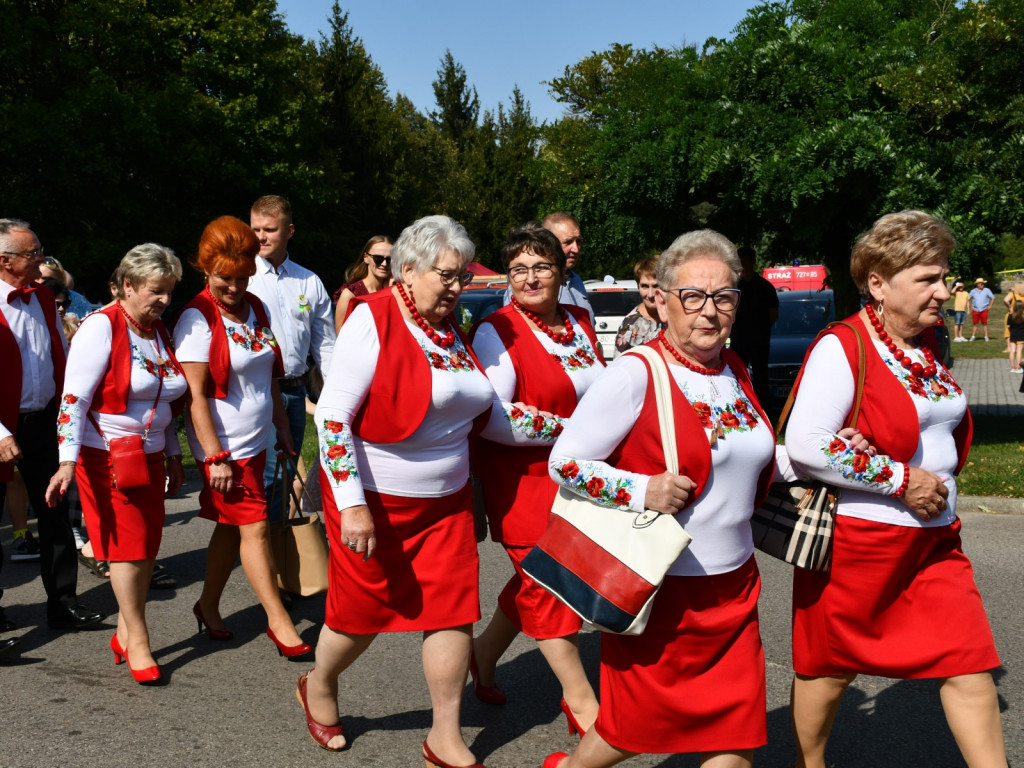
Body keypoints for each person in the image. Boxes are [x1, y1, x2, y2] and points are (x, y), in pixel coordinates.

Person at [296, 215, 565, 765]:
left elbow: (487, 413)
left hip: (447, 504)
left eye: (461, 276)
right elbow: (333, 420)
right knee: (361, 615)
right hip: (374, 502)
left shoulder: (449, 328)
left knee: (451, 612)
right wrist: (351, 506)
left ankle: (446, 734)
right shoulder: (372, 319)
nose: (456, 286)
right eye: (446, 275)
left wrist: (566, 429)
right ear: (408, 269)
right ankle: (319, 682)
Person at [544, 230, 777, 768]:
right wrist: (639, 488)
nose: (709, 311)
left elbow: (746, 458)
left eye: (723, 297)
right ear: (663, 300)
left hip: (734, 589)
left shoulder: (734, 369)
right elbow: (566, 462)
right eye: (693, 296)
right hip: (664, 591)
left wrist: (829, 456)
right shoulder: (636, 372)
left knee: (734, 739)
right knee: (630, 731)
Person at [784, 210, 1006, 768]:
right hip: (860, 545)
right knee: (830, 670)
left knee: (969, 662)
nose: (943, 289)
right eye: (927, 279)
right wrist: (900, 480)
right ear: (878, 283)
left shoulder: (928, 345)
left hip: (936, 542)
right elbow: (807, 444)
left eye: (944, 275)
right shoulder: (845, 346)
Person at [470, 223, 606, 735]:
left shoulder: (578, 321)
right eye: (519, 269)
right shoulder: (496, 330)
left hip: (578, 483)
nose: (530, 278)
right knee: (548, 588)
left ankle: (482, 655)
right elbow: (491, 416)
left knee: (540, 578)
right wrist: (574, 431)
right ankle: (581, 700)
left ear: (561, 270)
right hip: (524, 484)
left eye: (541, 266)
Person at [43, 243, 187, 684]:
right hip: (105, 455)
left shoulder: (157, 331)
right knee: (127, 549)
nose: (163, 301)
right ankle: (139, 637)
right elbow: (73, 401)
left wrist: (173, 451)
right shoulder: (99, 327)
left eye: (168, 292)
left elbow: (165, 396)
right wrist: (67, 461)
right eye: (155, 291)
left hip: (149, 455)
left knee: (147, 547)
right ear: (127, 285)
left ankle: (125, 628)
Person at [173, 215, 310, 657]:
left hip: (259, 440)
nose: (233, 287)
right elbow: (196, 397)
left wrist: (284, 429)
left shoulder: (256, 308)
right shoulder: (196, 318)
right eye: (223, 278)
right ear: (205, 269)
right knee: (256, 530)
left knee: (230, 533)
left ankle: (208, 606)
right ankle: (279, 620)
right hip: (224, 449)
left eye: (241, 276)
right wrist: (213, 459)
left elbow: (268, 375)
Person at [0, 218, 105, 637]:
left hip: (43, 420)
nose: (42, 261)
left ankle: (63, 602)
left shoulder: (42, 297)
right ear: (5, 261)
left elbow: (60, 355)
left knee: (56, 511)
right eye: (33, 254)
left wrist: (70, 410)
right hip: (2, 426)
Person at [247, 195, 335, 524]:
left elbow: (327, 345)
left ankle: (278, 552)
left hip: (296, 392)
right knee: (267, 478)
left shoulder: (308, 281)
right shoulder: (242, 279)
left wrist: (336, 396)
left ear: (290, 231)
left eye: (269, 229)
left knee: (285, 477)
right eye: (255, 229)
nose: (260, 237)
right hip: (257, 391)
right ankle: (265, 550)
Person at [504, 212, 593, 323]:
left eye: (578, 241)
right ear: (549, 242)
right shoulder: (525, 288)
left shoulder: (576, 280)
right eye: (568, 242)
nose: (576, 249)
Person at [729, 245, 779, 406]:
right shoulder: (734, 288)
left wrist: (758, 329)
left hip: (759, 340)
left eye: (745, 260)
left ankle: (763, 408)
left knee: (760, 377)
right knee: (737, 376)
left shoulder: (765, 287)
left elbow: (773, 315)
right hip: (738, 339)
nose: (742, 264)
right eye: (740, 261)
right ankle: (739, 405)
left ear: (753, 261)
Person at [332, 235, 394, 332]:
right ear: (366, 258)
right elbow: (341, 337)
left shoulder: (396, 291)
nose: (384, 264)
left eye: (390, 260)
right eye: (378, 258)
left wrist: (390, 292)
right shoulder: (350, 295)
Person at [614, 257, 665, 354]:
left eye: (656, 286)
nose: (650, 294)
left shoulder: (675, 316)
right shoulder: (630, 324)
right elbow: (620, 365)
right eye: (644, 286)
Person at [1003, 281, 1024, 367]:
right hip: (1022, 317)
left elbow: (1005, 300)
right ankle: (1019, 365)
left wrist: (1010, 307)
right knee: (1019, 349)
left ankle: (1009, 347)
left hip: (1012, 316)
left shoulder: (1013, 294)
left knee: (1009, 333)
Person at [968, 276, 994, 341]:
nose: (983, 284)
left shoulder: (987, 290)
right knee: (975, 323)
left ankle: (986, 336)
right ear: (977, 284)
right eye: (981, 283)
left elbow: (993, 298)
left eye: (983, 283)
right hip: (975, 309)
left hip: (984, 309)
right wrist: (970, 306)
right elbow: (968, 299)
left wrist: (990, 305)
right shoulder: (973, 291)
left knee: (984, 323)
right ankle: (973, 336)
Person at [1007, 295, 1024, 374]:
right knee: (1019, 351)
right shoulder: (1023, 316)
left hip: (1013, 335)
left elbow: (1008, 326)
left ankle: (1012, 367)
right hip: (1021, 335)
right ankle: (1019, 366)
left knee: (1012, 351)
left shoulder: (1010, 316)